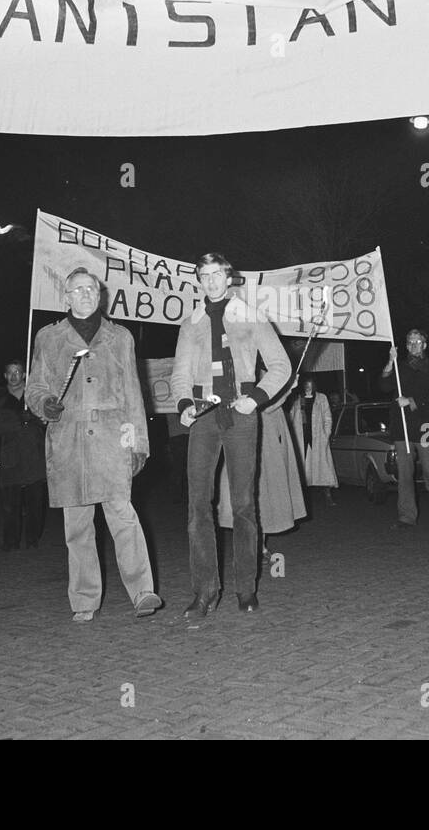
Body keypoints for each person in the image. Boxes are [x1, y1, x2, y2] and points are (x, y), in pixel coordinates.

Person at [25, 268, 161, 623]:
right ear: (66, 297)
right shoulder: (48, 338)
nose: (85, 294)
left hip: (112, 440)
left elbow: (134, 394)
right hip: (68, 441)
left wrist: (138, 445)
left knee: (123, 516)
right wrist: (44, 404)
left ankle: (143, 590)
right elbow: (34, 387)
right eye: (78, 290)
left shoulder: (120, 337)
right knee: (77, 527)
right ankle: (84, 600)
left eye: (92, 289)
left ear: (99, 296)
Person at [172, 251, 291, 617]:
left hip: (241, 415)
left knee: (243, 505)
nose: (210, 282)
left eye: (215, 275)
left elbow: (281, 366)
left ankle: (246, 590)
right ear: (199, 281)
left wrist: (254, 399)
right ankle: (205, 592)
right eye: (203, 276)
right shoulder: (190, 324)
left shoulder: (252, 317)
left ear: (228, 277)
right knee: (198, 506)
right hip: (204, 417)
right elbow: (179, 375)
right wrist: (183, 405)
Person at [219, 394, 308, 556]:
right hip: (253, 437)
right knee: (253, 494)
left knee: (265, 496)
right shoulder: (254, 380)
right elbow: (266, 404)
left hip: (269, 440)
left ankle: (260, 545)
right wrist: (287, 391)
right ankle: (252, 545)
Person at [380, 329, 429, 529]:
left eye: (418, 342)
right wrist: (389, 361)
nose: (414, 346)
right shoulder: (399, 367)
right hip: (402, 427)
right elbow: (384, 386)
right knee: (404, 474)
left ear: (425, 345)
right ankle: (406, 517)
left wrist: (410, 401)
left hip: (426, 426)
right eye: (410, 342)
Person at [0, 359, 47, 551]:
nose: (14, 376)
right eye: (10, 373)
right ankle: (10, 541)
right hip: (10, 457)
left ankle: (32, 539)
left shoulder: (34, 396)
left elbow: (47, 420)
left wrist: (35, 419)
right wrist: (17, 420)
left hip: (34, 455)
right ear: (5, 376)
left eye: (18, 372)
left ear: (24, 375)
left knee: (35, 503)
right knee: (10, 505)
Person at [289, 376, 337, 505]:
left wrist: (326, 434)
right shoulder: (298, 399)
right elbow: (292, 418)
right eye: (306, 385)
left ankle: (327, 494)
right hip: (301, 437)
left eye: (310, 385)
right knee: (302, 467)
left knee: (323, 467)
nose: (308, 388)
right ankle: (300, 499)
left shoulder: (322, 398)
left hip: (318, 437)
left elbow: (328, 417)